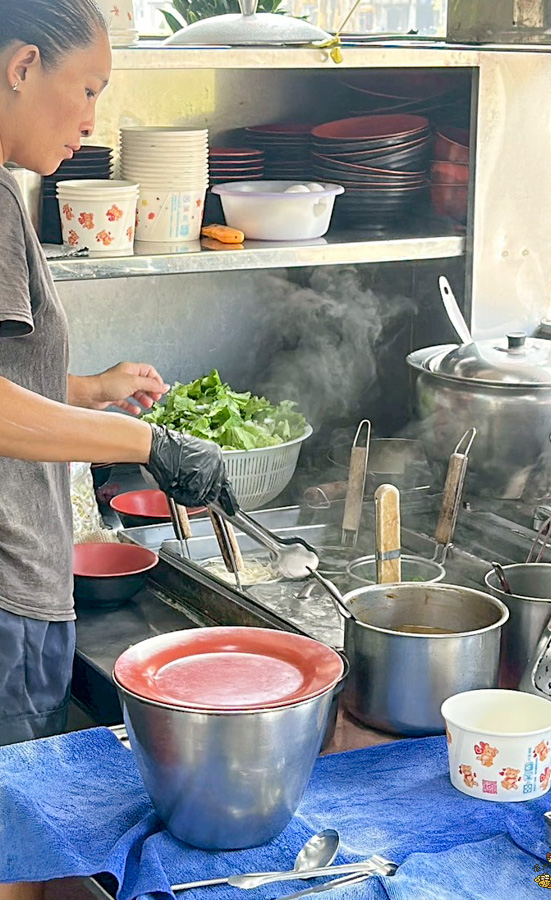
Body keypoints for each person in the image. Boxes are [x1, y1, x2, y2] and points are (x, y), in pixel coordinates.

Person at [0, 0, 233, 805]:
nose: (93, 120)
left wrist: (93, 392)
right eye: (90, 87)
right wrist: (147, 447)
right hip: (5, 587)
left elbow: (9, 382)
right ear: (22, 67)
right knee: (17, 842)